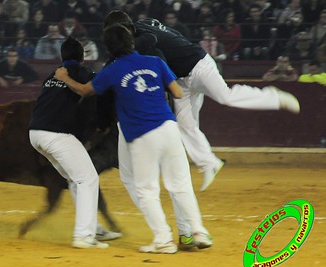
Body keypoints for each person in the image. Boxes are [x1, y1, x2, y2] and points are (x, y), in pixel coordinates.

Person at [54, 24, 212, 254]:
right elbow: (177, 92)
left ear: (109, 47)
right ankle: (198, 231)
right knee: (180, 185)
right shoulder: (155, 62)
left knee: (146, 191)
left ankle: (163, 240)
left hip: (141, 135)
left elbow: (85, 91)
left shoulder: (113, 70)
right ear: (132, 41)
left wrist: (64, 77)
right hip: (169, 128)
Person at [103, 10, 301, 193]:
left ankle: (273, 97)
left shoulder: (141, 41)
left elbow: (156, 55)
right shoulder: (145, 24)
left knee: (226, 96)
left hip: (199, 65)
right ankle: (209, 163)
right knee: (185, 124)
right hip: (182, 77)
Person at [29, 36, 118, 249]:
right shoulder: (79, 73)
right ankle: (83, 236)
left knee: (75, 179)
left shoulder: (52, 75)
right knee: (88, 179)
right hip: (56, 134)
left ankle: (93, 228)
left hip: (35, 134)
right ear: (82, 57)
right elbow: (95, 87)